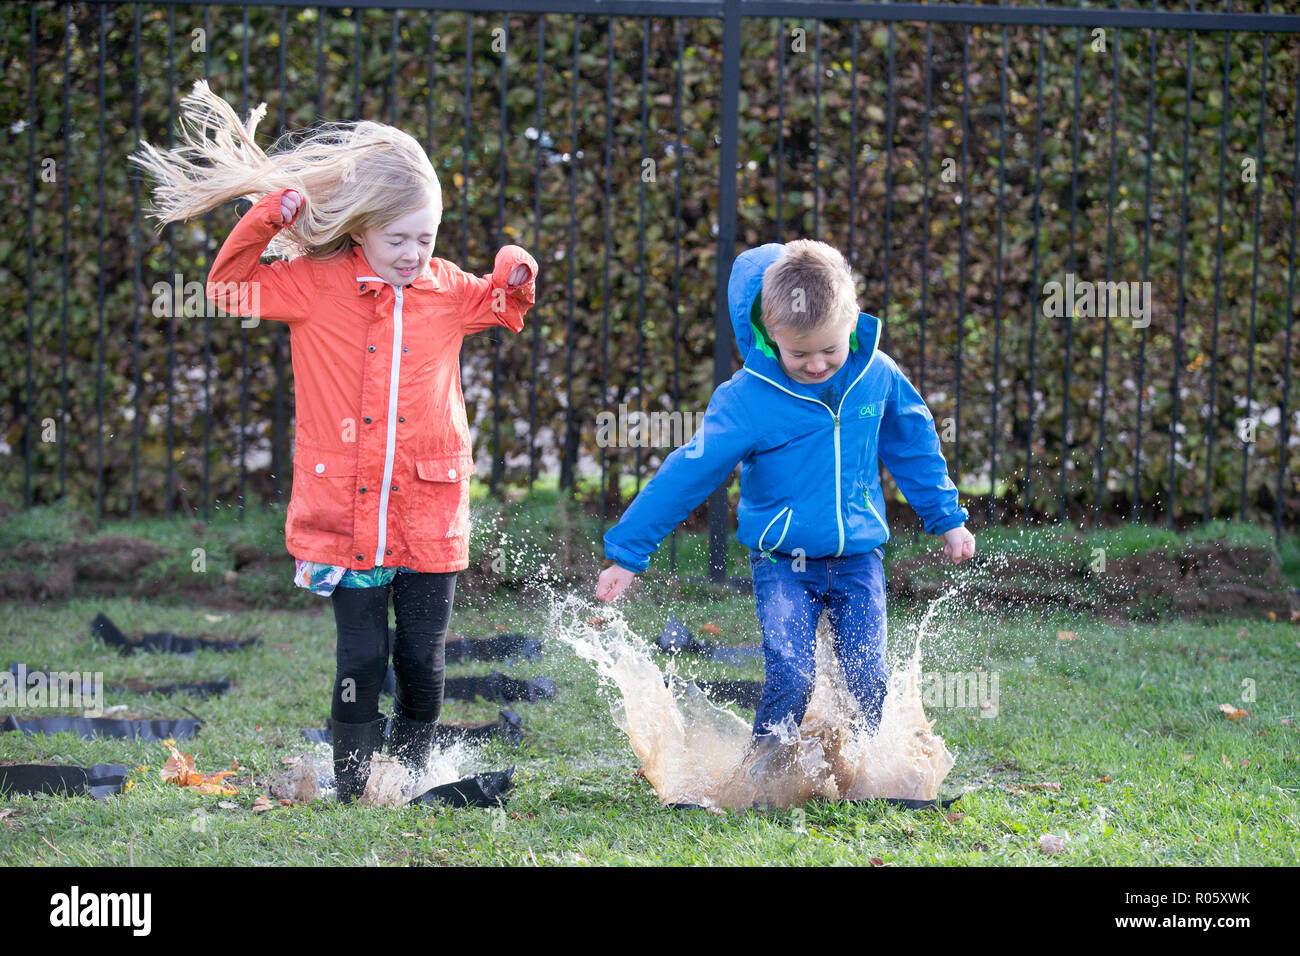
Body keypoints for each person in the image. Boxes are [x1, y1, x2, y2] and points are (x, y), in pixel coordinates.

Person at [131, 80, 538, 802]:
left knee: (422, 660)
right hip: (347, 522)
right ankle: (353, 785)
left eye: (427, 238)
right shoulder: (314, 285)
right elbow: (228, 287)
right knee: (362, 656)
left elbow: (504, 306)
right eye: (398, 239)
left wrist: (514, 268)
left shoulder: (445, 289)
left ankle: (410, 775)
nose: (414, 254)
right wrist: (266, 217)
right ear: (360, 229)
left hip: (430, 517)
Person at [596, 239, 974, 748]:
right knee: (793, 676)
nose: (817, 365)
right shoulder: (748, 396)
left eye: (830, 350)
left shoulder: (876, 374)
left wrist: (947, 518)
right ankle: (766, 771)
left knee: (868, 680)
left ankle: (861, 768)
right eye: (799, 353)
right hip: (782, 560)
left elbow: (914, 445)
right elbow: (688, 472)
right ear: (771, 334)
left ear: (852, 319)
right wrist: (627, 553)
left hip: (858, 556)